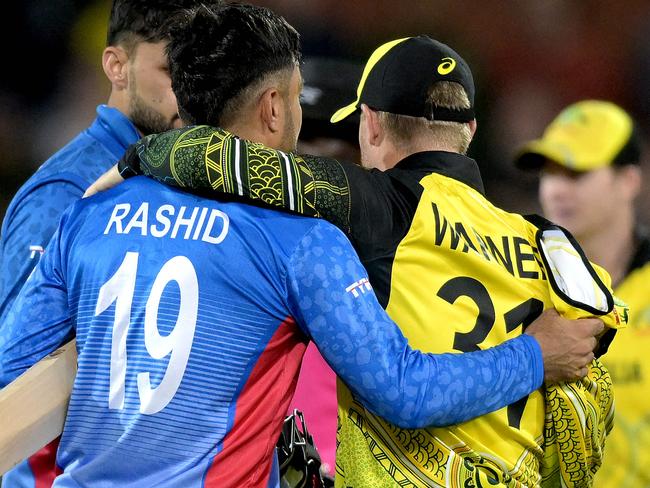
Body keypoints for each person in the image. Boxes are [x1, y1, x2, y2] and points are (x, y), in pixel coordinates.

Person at [0, 5, 601, 487]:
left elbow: (11, 368)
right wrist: (533, 356)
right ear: (272, 107)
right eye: (296, 96)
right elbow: (407, 392)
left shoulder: (89, 214)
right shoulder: (303, 242)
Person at [0, 1, 208, 486]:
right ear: (117, 66)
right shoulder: (66, 193)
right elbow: (16, 373)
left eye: (201, 73)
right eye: (171, 70)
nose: (192, 92)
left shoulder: (176, 179)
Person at [513, 99, 649, 487]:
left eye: (576, 172)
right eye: (549, 171)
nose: (556, 188)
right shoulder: (519, 284)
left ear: (629, 181)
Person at [288, 56, 363, 477]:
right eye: (298, 145)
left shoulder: (393, 271)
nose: (306, 166)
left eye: (330, 144)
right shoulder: (242, 254)